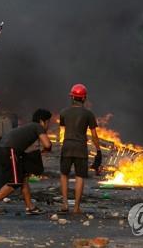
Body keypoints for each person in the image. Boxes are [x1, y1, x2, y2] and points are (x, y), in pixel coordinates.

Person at [0, 109, 52, 215]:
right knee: (15, 182)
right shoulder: (38, 126)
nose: (48, 125)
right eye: (48, 122)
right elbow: (47, 145)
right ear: (42, 121)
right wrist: (46, 149)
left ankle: (30, 207)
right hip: (10, 149)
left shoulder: (30, 127)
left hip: (9, 148)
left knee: (23, 178)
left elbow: (29, 148)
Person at [59, 84, 101, 214]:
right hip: (80, 148)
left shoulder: (64, 112)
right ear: (84, 98)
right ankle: (76, 207)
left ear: (72, 97)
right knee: (79, 176)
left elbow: (62, 131)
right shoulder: (88, 114)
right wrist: (98, 150)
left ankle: (65, 204)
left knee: (64, 175)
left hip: (67, 146)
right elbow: (94, 136)